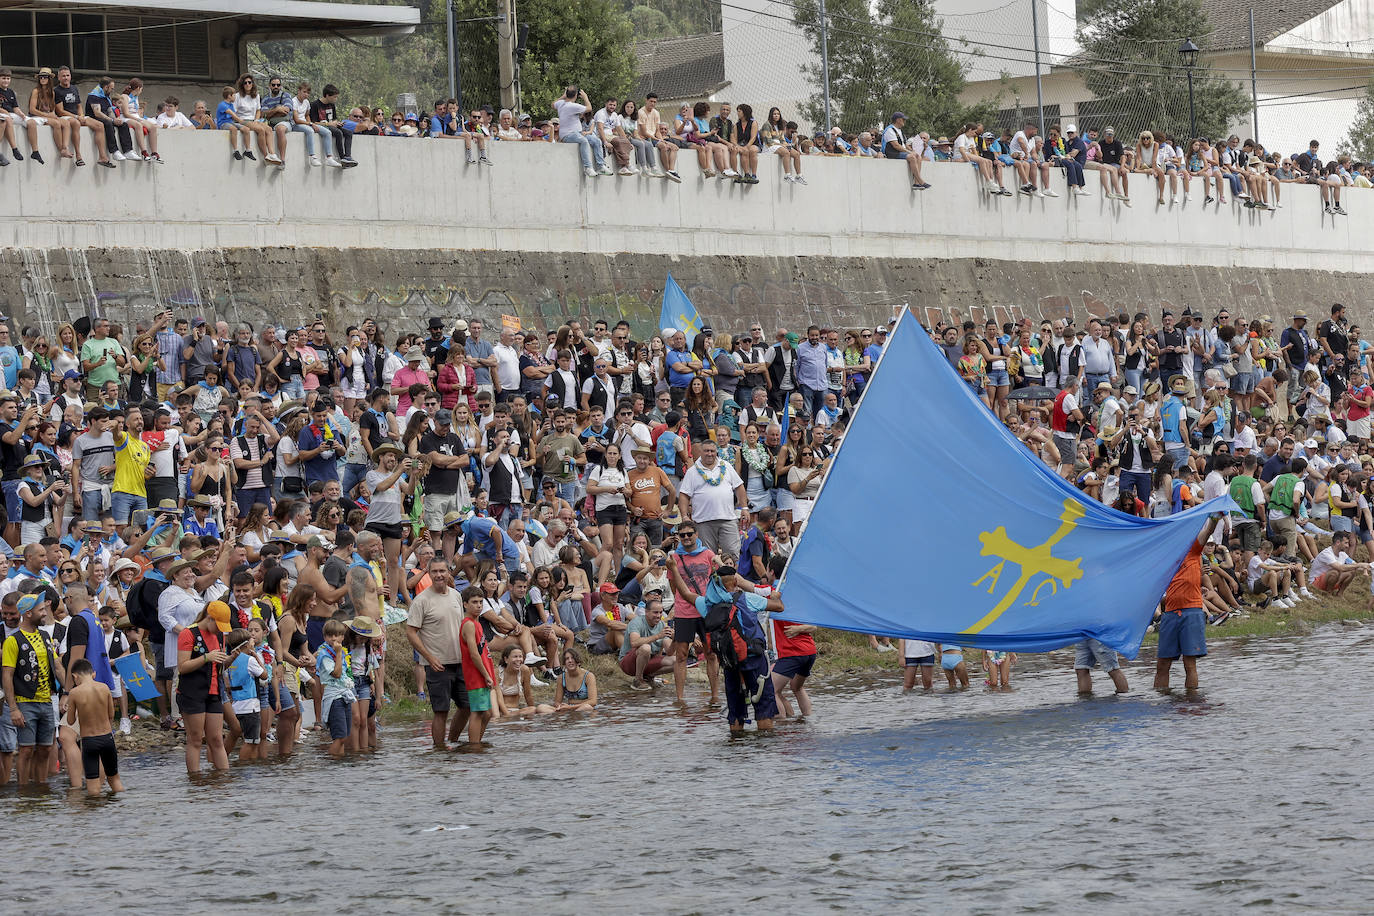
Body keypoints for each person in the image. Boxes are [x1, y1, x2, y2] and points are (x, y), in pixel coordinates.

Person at [1155, 514, 1222, 691]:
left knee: (1189, 664)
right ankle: (1160, 704)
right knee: (1162, 665)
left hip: (1191, 611)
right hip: (1169, 613)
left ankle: (1192, 704)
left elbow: (1208, 531)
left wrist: (1215, 519)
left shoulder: (1193, 549)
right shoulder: (1164, 556)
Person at [2, 593, 60, 785]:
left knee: (45, 749)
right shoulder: (13, 640)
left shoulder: (45, 636)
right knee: (26, 750)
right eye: (41, 610)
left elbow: (57, 666)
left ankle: (41, 789)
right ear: (28, 613)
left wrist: (67, 692)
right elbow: (7, 675)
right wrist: (13, 709)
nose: (45, 613)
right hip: (25, 702)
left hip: (47, 700)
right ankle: (23, 791)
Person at [64, 658, 124, 795]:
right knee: (115, 779)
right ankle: (121, 811)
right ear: (93, 674)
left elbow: (71, 720)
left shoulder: (75, 693)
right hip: (107, 739)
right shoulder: (104, 688)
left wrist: (71, 707)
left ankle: (94, 813)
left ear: (75, 676)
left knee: (93, 785)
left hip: (89, 741)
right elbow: (111, 714)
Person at [458, 584, 497, 747]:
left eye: (481, 602)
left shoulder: (478, 623)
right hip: (475, 675)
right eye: (474, 602)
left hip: (483, 672)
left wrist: (490, 673)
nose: (479, 605)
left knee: (487, 713)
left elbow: (483, 652)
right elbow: (474, 654)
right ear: (465, 604)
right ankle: (474, 746)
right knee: (478, 712)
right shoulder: (468, 624)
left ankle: (477, 742)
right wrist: (486, 675)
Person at [315, 618, 356, 757]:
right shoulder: (324, 654)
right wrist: (338, 653)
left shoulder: (342, 652)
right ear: (325, 637)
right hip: (334, 697)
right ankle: (330, 762)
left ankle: (340, 765)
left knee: (344, 736)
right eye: (329, 635)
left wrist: (339, 653)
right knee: (339, 737)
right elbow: (337, 674)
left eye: (337, 635)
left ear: (342, 636)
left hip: (344, 694)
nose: (333, 638)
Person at [618, 595, 671, 690]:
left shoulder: (662, 624)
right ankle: (638, 680)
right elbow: (634, 643)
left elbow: (670, 652)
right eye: (655, 612)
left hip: (649, 660)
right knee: (646, 648)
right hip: (629, 662)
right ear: (646, 612)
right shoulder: (636, 622)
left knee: (677, 661)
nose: (658, 616)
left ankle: (648, 677)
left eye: (660, 612)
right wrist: (658, 636)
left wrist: (675, 639)